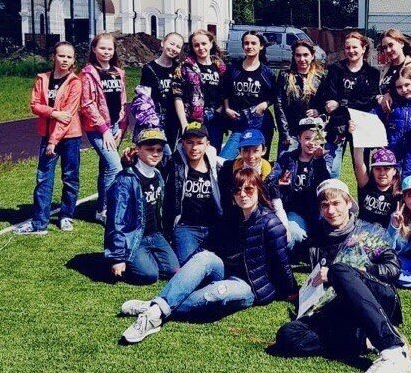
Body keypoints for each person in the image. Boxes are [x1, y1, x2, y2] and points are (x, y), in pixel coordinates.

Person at [120, 167, 297, 345]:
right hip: (226, 270)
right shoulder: (232, 215)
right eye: (237, 190)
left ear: (259, 189)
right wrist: (191, 268)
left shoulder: (271, 224)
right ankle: (158, 308)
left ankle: (154, 309)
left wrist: (292, 291)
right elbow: (209, 244)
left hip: (251, 285)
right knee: (203, 257)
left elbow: (282, 263)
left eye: (249, 189)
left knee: (215, 295)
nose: (243, 194)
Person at [272, 179, 411, 373]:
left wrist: (355, 272)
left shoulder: (370, 231)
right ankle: (363, 340)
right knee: (288, 335)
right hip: (340, 307)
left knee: (339, 270)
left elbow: (393, 269)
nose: (331, 211)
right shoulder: (317, 238)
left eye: (336, 203)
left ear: (349, 203)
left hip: (377, 297)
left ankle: (393, 351)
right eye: (325, 205)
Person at [14, 41, 82, 235]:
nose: (65, 60)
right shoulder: (42, 79)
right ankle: (39, 223)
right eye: (61, 55)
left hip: (69, 137)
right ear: (54, 57)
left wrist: (53, 141)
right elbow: (34, 105)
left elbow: (67, 116)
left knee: (70, 177)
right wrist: (53, 113)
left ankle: (66, 215)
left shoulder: (75, 82)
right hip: (47, 136)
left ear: (73, 60)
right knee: (43, 178)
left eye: (69, 57)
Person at [104, 127, 180, 285]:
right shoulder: (125, 181)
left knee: (173, 270)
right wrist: (117, 258)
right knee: (149, 275)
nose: (155, 154)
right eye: (150, 149)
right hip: (134, 237)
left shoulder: (157, 175)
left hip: (155, 234)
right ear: (137, 149)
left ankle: (144, 258)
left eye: (159, 150)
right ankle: (126, 260)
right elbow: (116, 220)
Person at [81, 31, 128, 224]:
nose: (106, 52)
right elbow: (87, 103)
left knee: (106, 167)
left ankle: (101, 207)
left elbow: (123, 100)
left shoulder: (118, 72)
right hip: (98, 128)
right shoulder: (88, 73)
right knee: (115, 166)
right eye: (102, 48)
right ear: (94, 49)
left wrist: (122, 126)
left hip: (115, 126)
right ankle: (106, 209)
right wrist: (104, 129)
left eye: (110, 48)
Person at [320, 31, 380, 177]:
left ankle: (363, 193)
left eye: (355, 47)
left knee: (362, 170)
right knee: (331, 169)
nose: (351, 51)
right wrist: (340, 104)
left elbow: (368, 100)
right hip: (337, 124)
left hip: (360, 124)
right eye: (347, 48)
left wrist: (340, 104)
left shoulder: (372, 73)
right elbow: (330, 96)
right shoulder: (336, 69)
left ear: (364, 48)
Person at [266, 117, 330, 251]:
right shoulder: (287, 158)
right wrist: (278, 183)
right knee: (292, 235)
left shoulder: (323, 160)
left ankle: (308, 243)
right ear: (299, 138)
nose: (311, 143)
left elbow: (326, 187)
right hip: (294, 209)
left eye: (316, 139)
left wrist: (319, 161)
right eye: (307, 138)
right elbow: (270, 180)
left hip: (316, 211)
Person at [164, 122, 224, 265]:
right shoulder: (174, 165)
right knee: (189, 265)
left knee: (221, 264)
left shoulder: (217, 166)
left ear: (207, 144)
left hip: (212, 227)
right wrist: (129, 160)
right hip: (186, 227)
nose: (194, 148)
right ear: (182, 143)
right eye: (190, 142)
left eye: (199, 143)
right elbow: (151, 163)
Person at [221, 30, 277, 159]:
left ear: (261, 46)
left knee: (259, 162)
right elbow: (225, 91)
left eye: (253, 43)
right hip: (240, 123)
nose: (249, 46)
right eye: (246, 43)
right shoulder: (233, 69)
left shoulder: (267, 72)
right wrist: (227, 108)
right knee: (224, 159)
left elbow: (275, 95)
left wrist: (265, 104)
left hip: (260, 123)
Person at [172, 28, 226, 151]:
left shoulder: (220, 66)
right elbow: (177, 96)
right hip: (193, 119)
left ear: (211, 44)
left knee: (213, 153)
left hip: (215, 119)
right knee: (193, 153)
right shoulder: (185, 67)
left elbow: (225, 92)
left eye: (204, 43)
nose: (201, 48)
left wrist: (220, 110)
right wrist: (184, 123)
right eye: (196, 45)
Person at [275, 39, 326, 153]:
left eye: (305, 55)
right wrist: (284, 133)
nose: (302, 59)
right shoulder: (285, 76)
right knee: (287, 163)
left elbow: (326, 102)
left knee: (313, 162)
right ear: (293, 56)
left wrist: (318, 110)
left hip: (314, 129)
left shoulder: (320, 77)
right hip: (291, 131)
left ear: (312, 56)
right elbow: (279, 106)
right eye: (298, 55)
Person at [137, 32, 185, 150]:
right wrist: (150, 121)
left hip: (174, 120)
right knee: (160, 151)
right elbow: (144, 98)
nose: (174, 48)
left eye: (178, 47)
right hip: (156, 120)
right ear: (163, 43)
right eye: (172, 44)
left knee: (172, 152)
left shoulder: (179, 69)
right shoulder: (149, 68)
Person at [352, 146, 401, 228]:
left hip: (386, 234)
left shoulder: (399, 194)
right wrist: (358, 140)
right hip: (361, 232)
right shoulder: (366, 185)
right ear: (372, 170)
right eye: (378, 169)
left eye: (387, 169)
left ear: (394, 171)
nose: (382, 173)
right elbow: (358, 164)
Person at [376, 28, 411, 105]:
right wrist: (381, 98)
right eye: (385, 47)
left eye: (391, 45)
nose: (388, 50)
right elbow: (379, 92)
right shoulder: (384, 69)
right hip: (386, 112)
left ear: (401, 43)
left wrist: (390, 95)